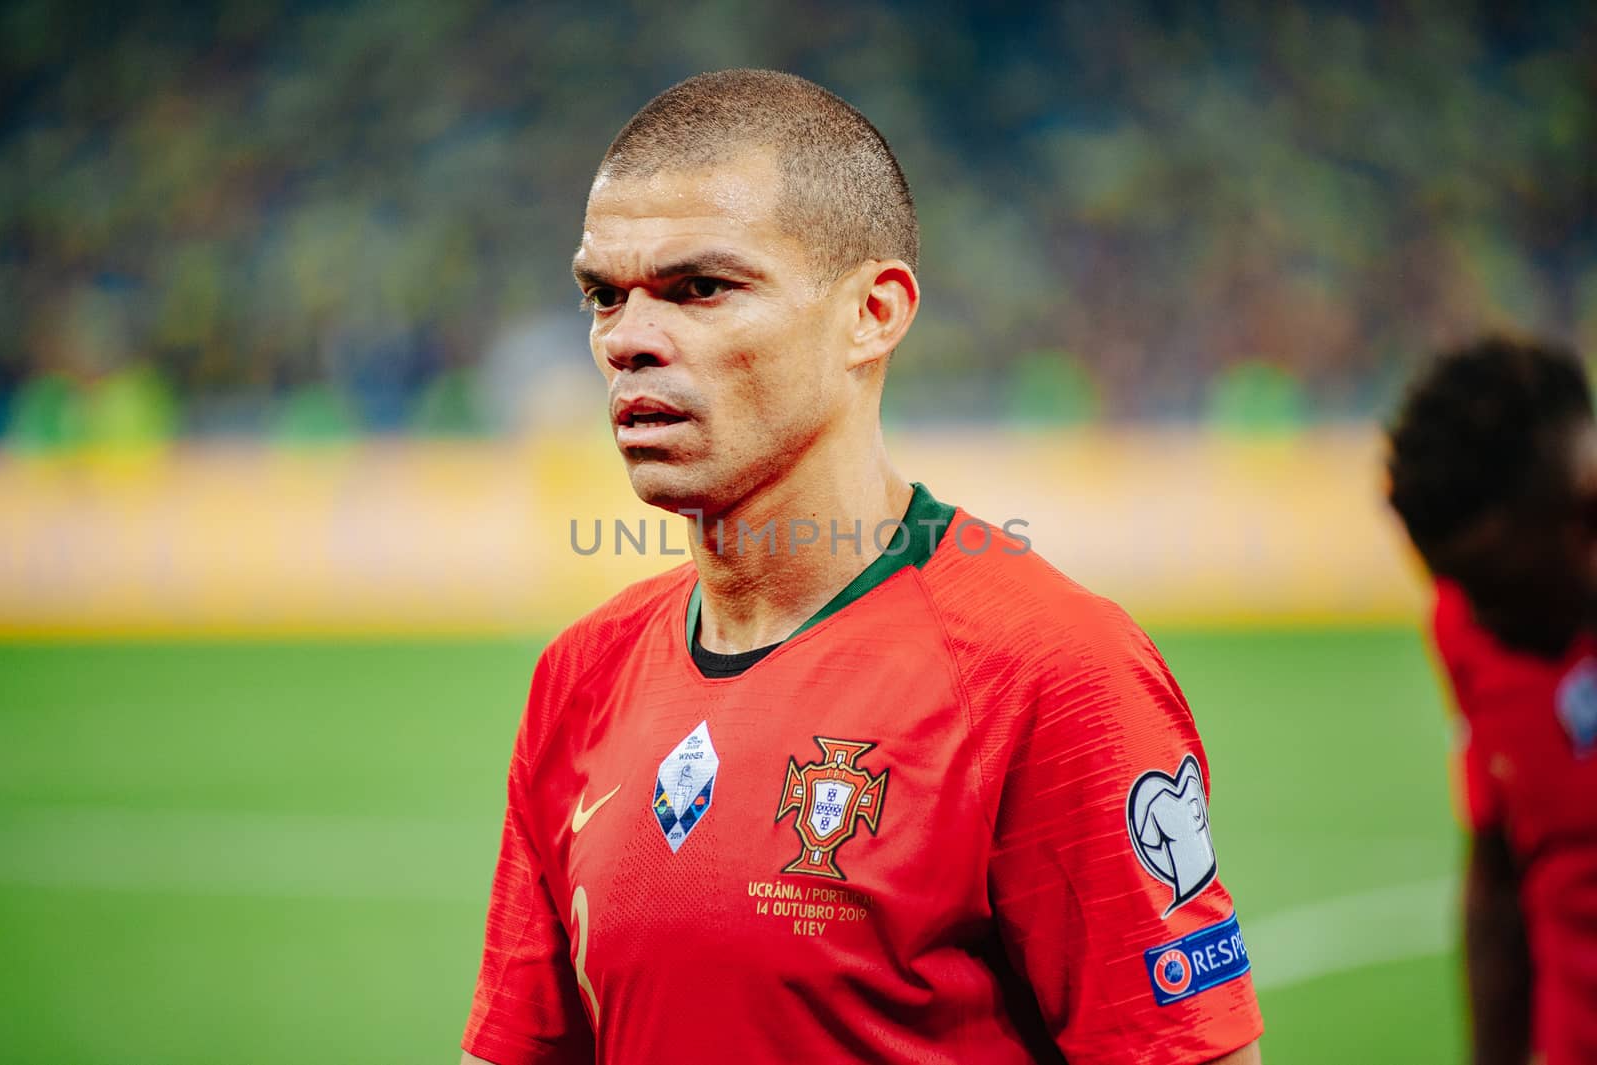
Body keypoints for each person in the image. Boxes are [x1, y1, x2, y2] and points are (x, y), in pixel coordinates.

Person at [460, 68, 1263, 1065]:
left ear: (871, 314)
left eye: (700, 288)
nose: (626, 340)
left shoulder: (1049, 673)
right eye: (601, 296)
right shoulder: (577, 678)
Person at [1386, 336, 1597, 1065]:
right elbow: (1499, 872)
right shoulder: (1468, 626)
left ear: (1584, 517)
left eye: (1496, 587)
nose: (1474, 618)